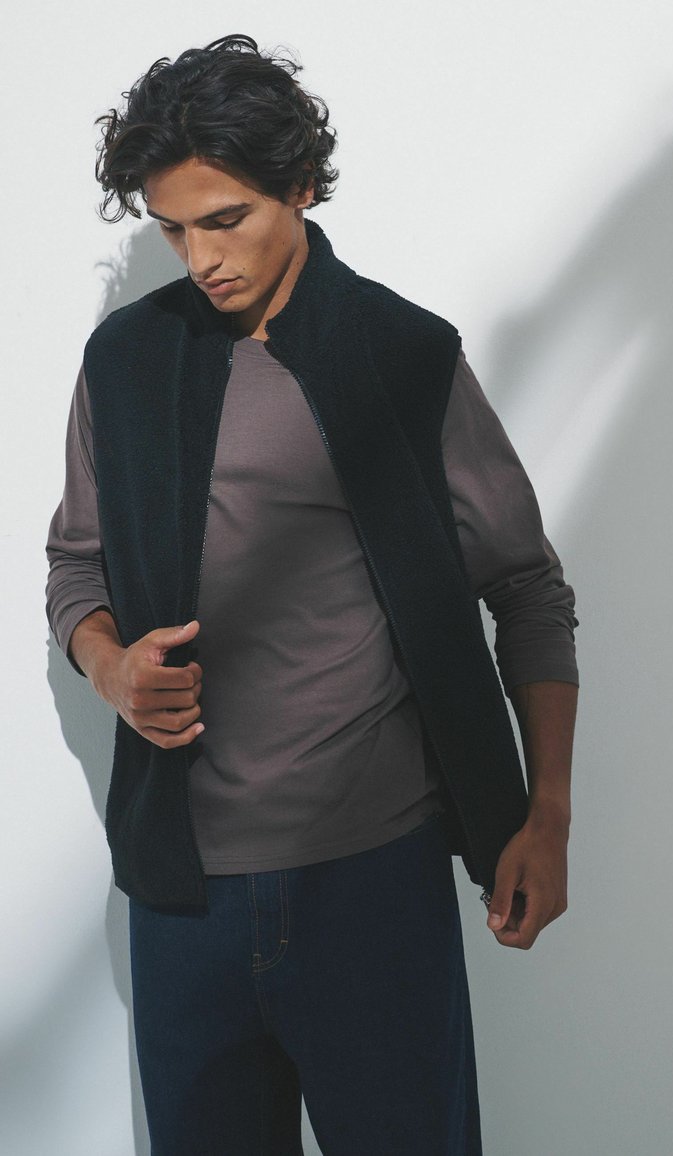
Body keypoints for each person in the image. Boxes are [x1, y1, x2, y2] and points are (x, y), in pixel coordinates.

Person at [46, 34, 579, 1156]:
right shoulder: (124, 365)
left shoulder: (405, 355)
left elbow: (526, 585)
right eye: (173, 229)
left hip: (371, 885)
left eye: (224, 219)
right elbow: (76, 568)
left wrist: (547, 814)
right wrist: (111, 667)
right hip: (183, 898)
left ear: (299, 185)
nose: (201, 258)